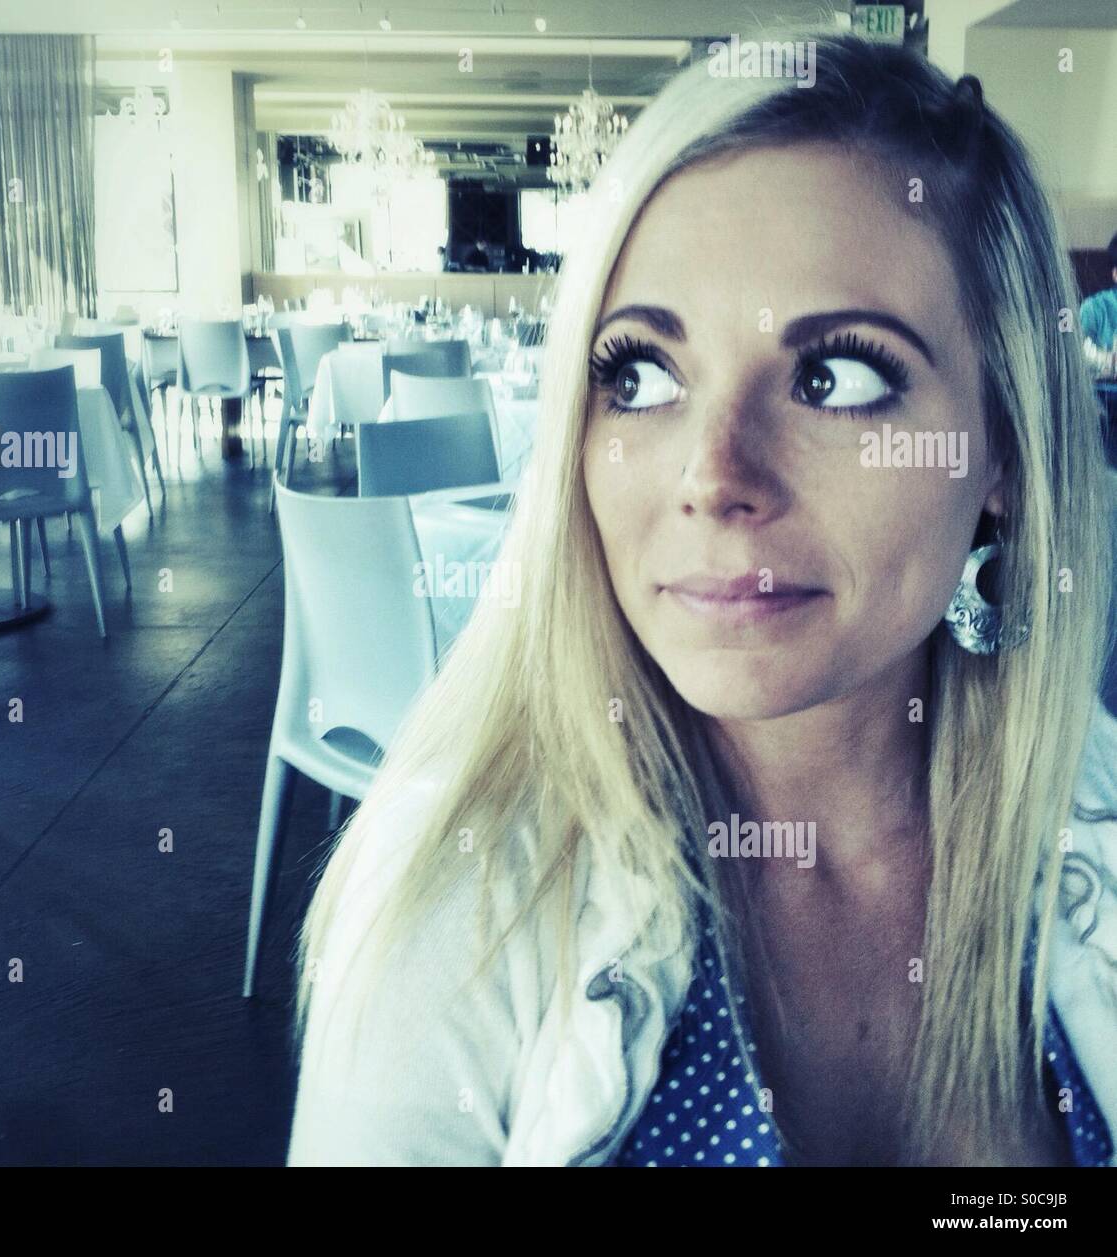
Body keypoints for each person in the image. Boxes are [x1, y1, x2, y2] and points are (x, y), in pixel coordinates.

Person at [284, 33, 1117, 1167]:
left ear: (1004, 451)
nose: (712, 478)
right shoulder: (460, 908)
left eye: (836, 378)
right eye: (640, 376)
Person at [1080, 231, 1117, 368]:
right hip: (1103, 386)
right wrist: (1107, 359)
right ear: (1115, 274)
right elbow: (1079, 355)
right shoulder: (1094, 308)